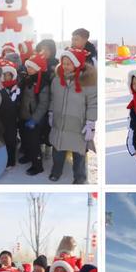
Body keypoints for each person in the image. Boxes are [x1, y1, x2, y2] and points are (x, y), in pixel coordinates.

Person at [48, 48, 97, 183]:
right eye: (63, 63)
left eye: (69, 63)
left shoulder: (87, 82)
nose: (65, 66)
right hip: (60, 124)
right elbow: (53, 98)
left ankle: (80, 176)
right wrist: (51, 112)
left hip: (78, 125)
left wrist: (91, 123)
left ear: (77, 64)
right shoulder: (57, 81)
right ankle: (56, 171)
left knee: (79, 153)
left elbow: (93, 103)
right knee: (58, 150)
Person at [20, 52, 51, 175]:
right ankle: (28, 156)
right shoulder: (26, 79)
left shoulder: (43, 83)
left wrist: (34, 119)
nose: (28, 69)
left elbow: (44, 104)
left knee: (34, 143)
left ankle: (37, 165)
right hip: (24, 115)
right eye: (27, 66)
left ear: (38, 68)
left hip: (35, 119)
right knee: (26, 140)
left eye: (31, 67)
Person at [0, 60, 20, 169]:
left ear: (12, 75)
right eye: (4, 75)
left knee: (11, 140)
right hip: (1, 118)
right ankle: (2, 159)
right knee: (3, 140)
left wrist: (2, 91)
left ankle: (11, 161)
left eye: (9, 75)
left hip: (11, 119)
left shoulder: (16, 88)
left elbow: (11, 103)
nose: (6, 77)